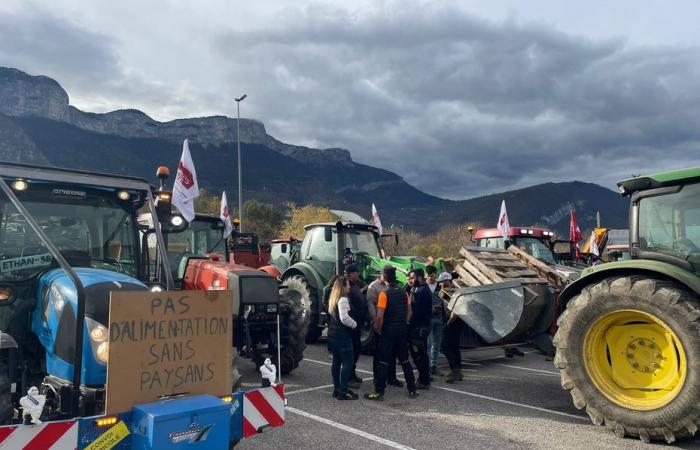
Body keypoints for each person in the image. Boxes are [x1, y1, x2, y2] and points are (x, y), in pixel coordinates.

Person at [365, 266, 418, 401]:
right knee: (405, 360)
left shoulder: (384, 294)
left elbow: (379, 316)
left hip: (388, 333)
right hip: (401, 332)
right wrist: (404, 323)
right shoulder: (403, 292)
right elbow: (410, 311)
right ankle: (412, 389)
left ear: (385, 277)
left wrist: (378, 328)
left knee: (383, 362)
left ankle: (379, 392)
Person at [367, 271, 402, 387]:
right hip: (379, 322)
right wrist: (375, 318)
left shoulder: (393, 287)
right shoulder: (374, 286)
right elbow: (370, 302)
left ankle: (392, 377)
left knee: (392, 352)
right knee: (378, 352)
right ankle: (377, 377)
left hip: (390, 324)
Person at [327, 276, 359, 400]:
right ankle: (343, 390)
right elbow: (344, 318)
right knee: (348, 362)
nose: (349, 286)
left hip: (333, 335)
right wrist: (355, 325)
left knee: (336, 362)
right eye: (347, 284)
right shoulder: (343, 299)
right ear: (343, 286)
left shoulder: (333, 298)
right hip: (342, 336)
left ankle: (337, 388)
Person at [408, 268, 432, 389]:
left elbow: (416, 312)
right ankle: (425, 377)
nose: (410, 280)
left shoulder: (422, 292)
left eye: (412, 277)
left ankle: (424, 380)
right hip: (420, 327)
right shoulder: (420, 289)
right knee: (421, 354)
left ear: (419, 277)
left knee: (419, 354)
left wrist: (409, 323)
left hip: (419, 328)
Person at [438, 273, 464, 383]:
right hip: (452, 321)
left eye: (443, 282)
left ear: (447, 281)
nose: (441, 284)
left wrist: (447, 324)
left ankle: (455, 370)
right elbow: (441, 301)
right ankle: (457, 371)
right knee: (454, 347)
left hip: (452, 322)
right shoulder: (445, 291)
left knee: (445, 346)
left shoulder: (455, 292)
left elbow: (455, 313)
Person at [345, 264, 366, 385]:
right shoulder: (346, 286)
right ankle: (348, 378)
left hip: (358, 324)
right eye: (355, 273)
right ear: (349, 274)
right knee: (351, 351)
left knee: (356, 350)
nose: (357, 274)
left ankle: (352, 373)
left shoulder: (356, 284)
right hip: (351, 325)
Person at [425, 265, 444, 377]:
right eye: (429, 276)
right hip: (428, 318)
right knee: (428, 343)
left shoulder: (440, 286)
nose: (431, 278)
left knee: (436, 343)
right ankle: (426, 367)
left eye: (433, 276)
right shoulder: (423, 286)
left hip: (439, 318)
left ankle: (433, 366)